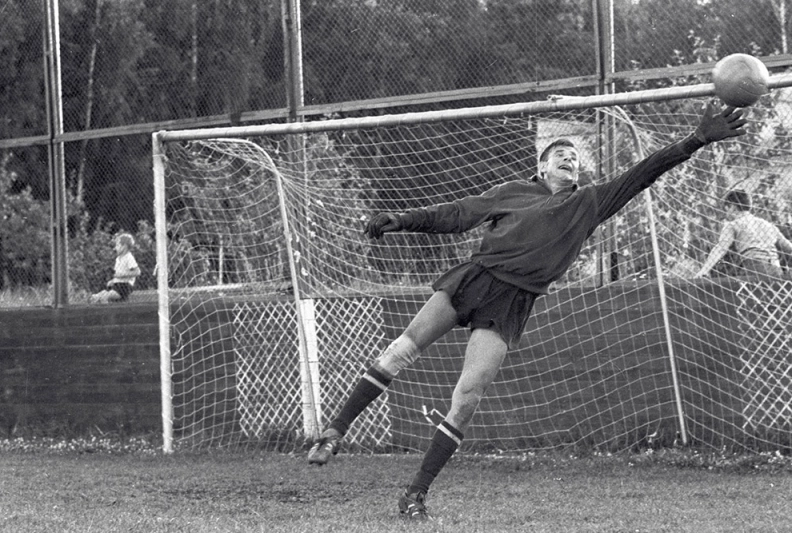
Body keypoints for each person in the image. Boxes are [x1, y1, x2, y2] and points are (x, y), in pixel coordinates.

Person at [306, 102, 747, 520]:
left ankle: (415, 494)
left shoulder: (589, 203)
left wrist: (696, 139)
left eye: (575, 156)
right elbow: (457, 214)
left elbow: (643, 173)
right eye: (560, 154)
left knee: (467, 398)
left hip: (512, 302)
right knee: (401, 350)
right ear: (541, 167)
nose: (569, 158)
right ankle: (334, 431)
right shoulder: (512, 192)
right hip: (473, 278)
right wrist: (401, 220)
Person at [694, 189, 792, 281]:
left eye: (726, 209)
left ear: (732, 207)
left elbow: (721, 248)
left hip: (754, 267)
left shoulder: (733, 224)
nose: (726, 214)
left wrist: (704, 270)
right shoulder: (768, 225)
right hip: (776, 270)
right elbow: (789, 248)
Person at [90, 233, 141, 304]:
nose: (115, 248)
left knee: (105, 296)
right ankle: (96, 300)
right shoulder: (118, 259)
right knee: (102, 293)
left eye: (117, 245)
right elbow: (118, 274)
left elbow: (137, 272)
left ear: (124, 246)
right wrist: (113, 280)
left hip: (125, 286)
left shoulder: (128, 257)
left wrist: (122, 275)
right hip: (117, 285)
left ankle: (107, 309)